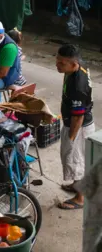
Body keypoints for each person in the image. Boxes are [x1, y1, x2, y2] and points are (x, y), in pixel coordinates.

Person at [56, 44, 95, 210]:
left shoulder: (78, 85)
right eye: (57, 60)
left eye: (62, 63)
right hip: (74, 121)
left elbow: (78, 117)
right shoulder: (76, 67)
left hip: (78, 126)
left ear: (73, 64)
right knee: (72, 159)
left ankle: (80, 198)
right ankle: (75, 185)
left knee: (76, 161)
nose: (57, 65)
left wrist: (71, 138)